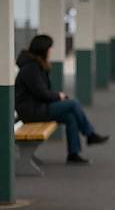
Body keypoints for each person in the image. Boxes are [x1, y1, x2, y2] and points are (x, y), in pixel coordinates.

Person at [15, 34, 110, 165]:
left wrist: (57, 96)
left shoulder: (36, 65)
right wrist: (58, 96)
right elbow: (41, 93)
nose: (51, 51)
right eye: (49, 48)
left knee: (70, 116)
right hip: (31, 111)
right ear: (42, 49)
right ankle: (90, 134)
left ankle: (73, 154)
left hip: (37, 107)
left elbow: (41, 91)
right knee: (72, 104)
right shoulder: (31, 68)